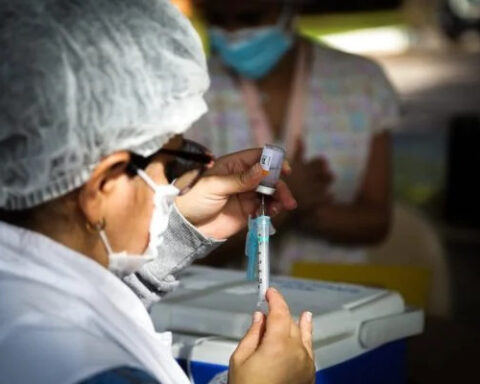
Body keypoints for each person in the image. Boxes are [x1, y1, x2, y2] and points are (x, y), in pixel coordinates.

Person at [0, 1, 315, 384]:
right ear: (104, 184)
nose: (175, 186)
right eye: (171, 166)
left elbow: (88, 302)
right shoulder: (87, 367)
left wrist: (177, 234)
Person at [189, 0, 400, 272]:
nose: (232, 31)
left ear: (291, 6)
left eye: (251, 17)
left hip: (335, 291)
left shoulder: (361, 82)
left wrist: (287, 205)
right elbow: (183, 244)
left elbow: (376, 221)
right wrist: (288, 204)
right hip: (223, 301)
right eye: (216, 19)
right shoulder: (190, 92)